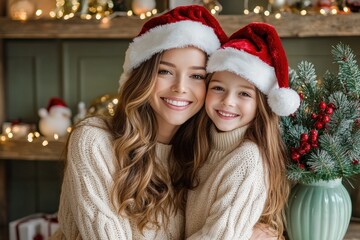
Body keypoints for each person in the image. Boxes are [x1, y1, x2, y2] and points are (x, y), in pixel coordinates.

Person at [52, 5, 227, 240]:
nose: (180, 88)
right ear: (143, 76)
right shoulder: (93, 140)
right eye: (165, 71)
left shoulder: (199, 155)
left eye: (197, 76)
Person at [185, 22, 300, 240]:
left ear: (262, 104)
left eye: (244, 94)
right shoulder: (203, 144)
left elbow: (217, 237)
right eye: (218, 88)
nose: (227, 101)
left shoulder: (246, 159)